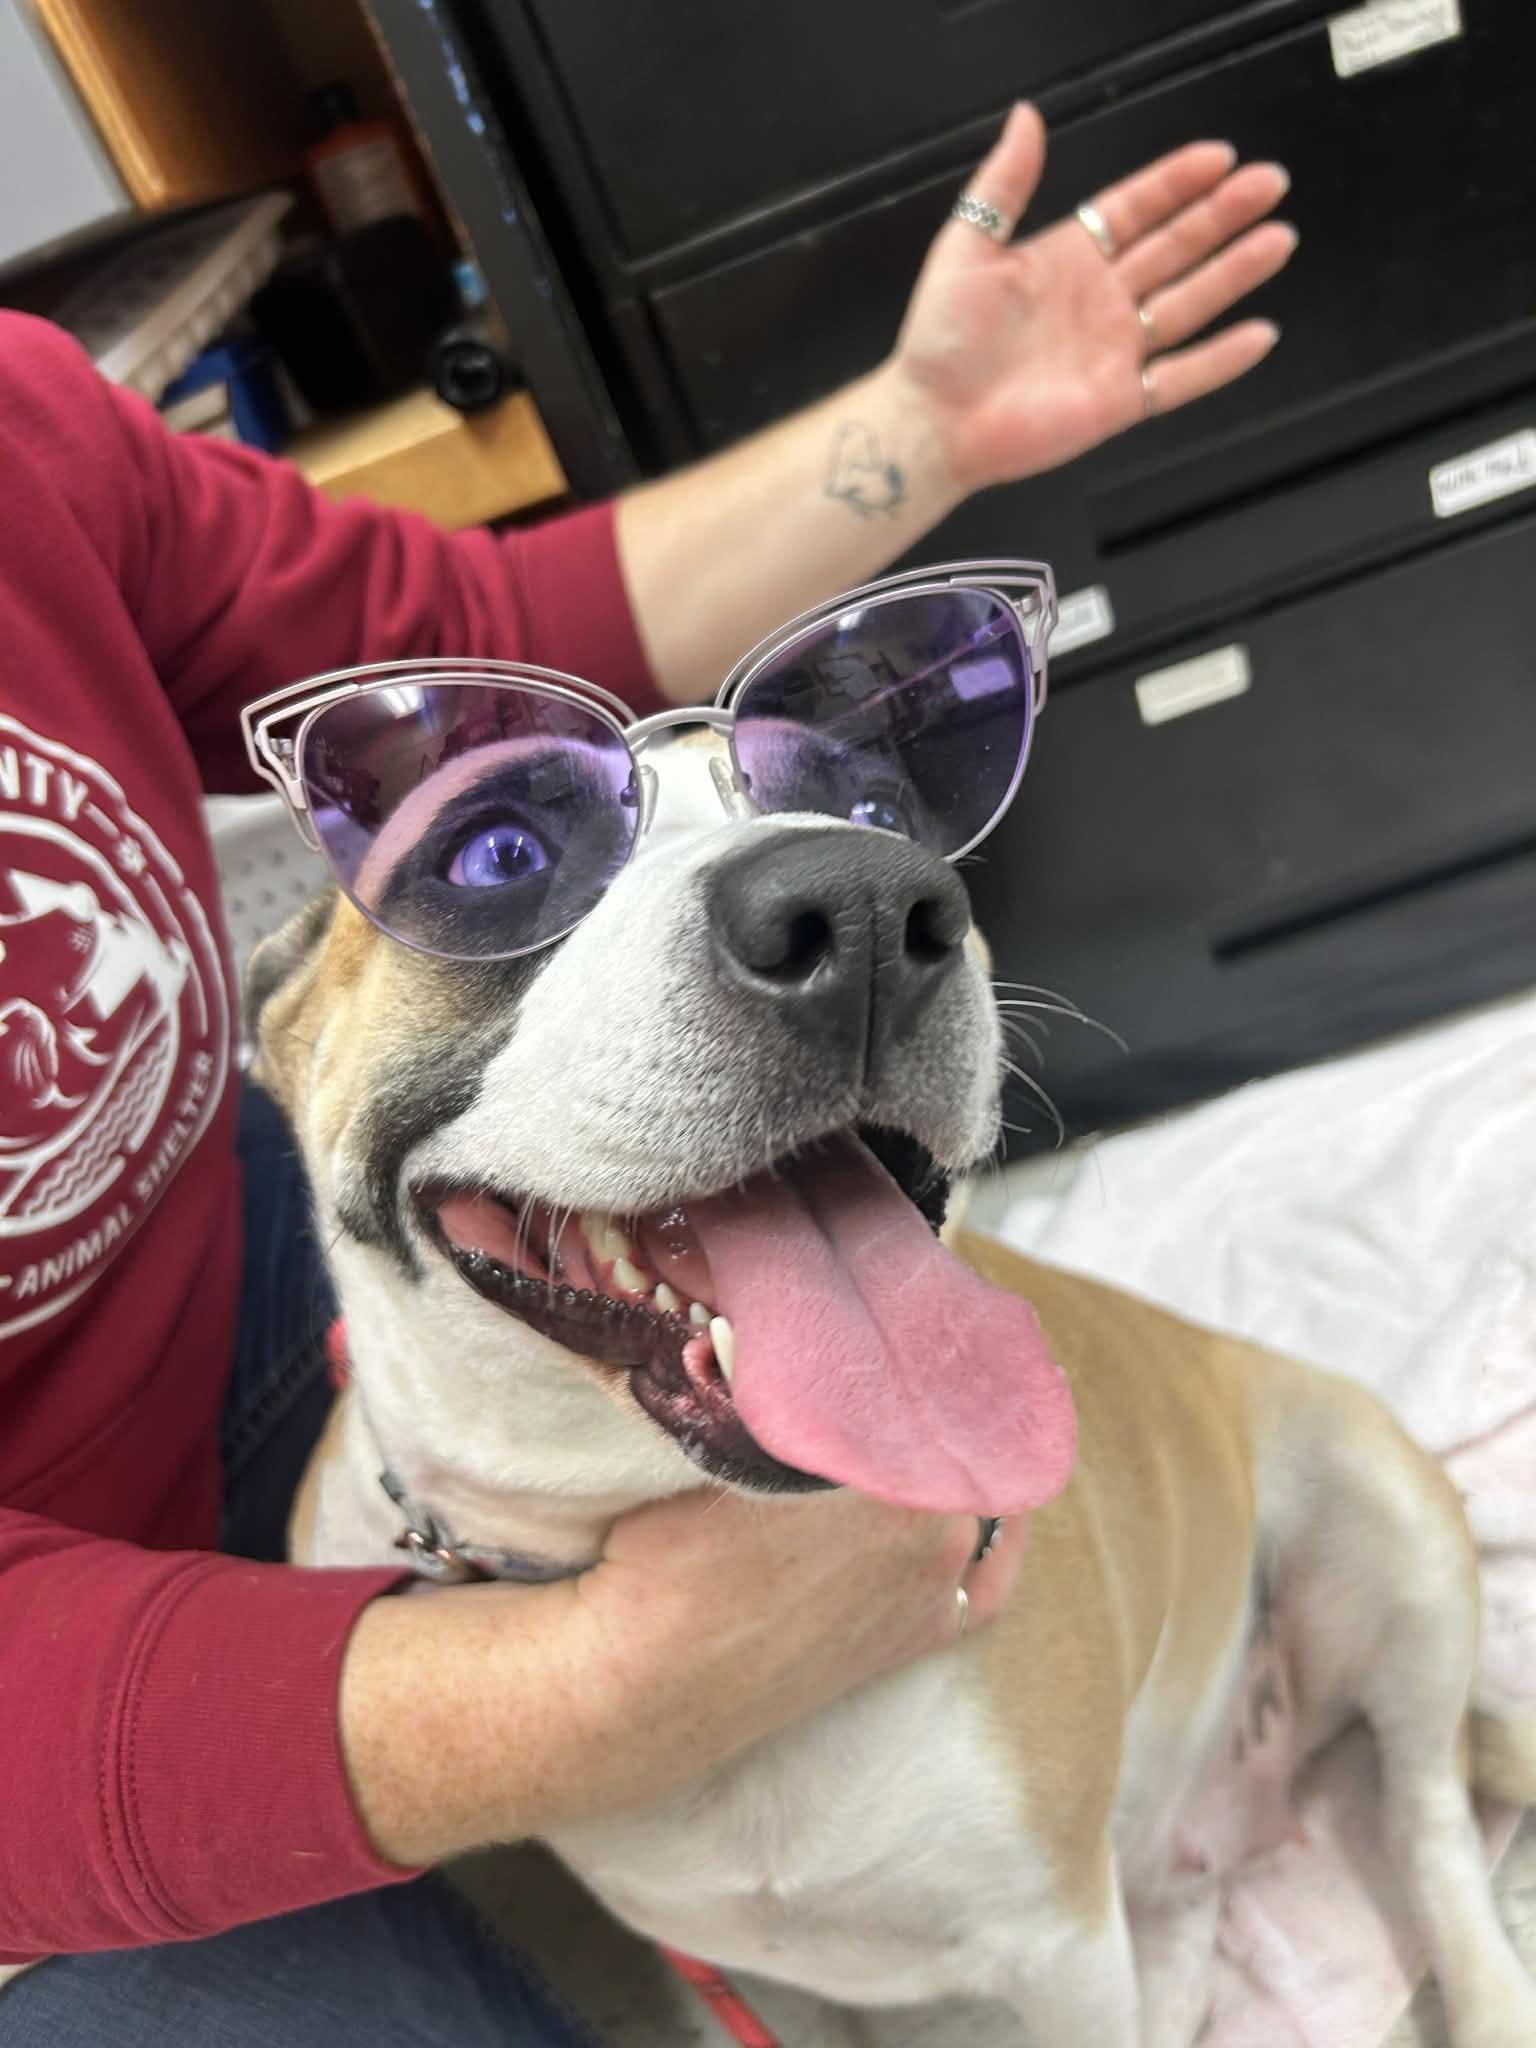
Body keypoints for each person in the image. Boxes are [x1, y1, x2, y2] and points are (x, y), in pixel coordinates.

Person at [0, 107, 1292, 2043]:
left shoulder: (20, 431)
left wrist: (925, 428)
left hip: (227, 1298)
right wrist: (596, 1690)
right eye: (493, 879)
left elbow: (476, 662)